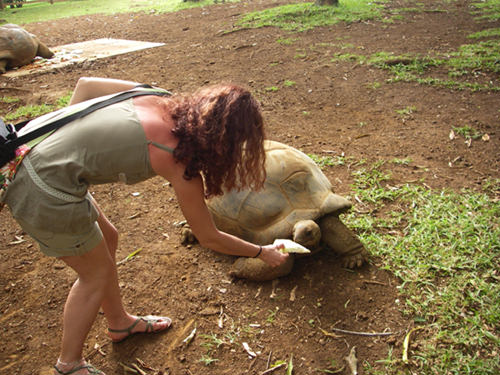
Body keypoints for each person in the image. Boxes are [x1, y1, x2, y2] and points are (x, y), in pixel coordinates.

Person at [1, 77, 289, 375]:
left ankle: (119, 323)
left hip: (28, 149)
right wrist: (261, 252)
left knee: (108, 239)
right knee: (94, 273)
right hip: (38, 182)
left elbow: (85, 85)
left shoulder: (155, 94)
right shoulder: (177, 158)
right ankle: (69, 364)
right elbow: (209, 237)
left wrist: (71, 150)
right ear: (223, 143)